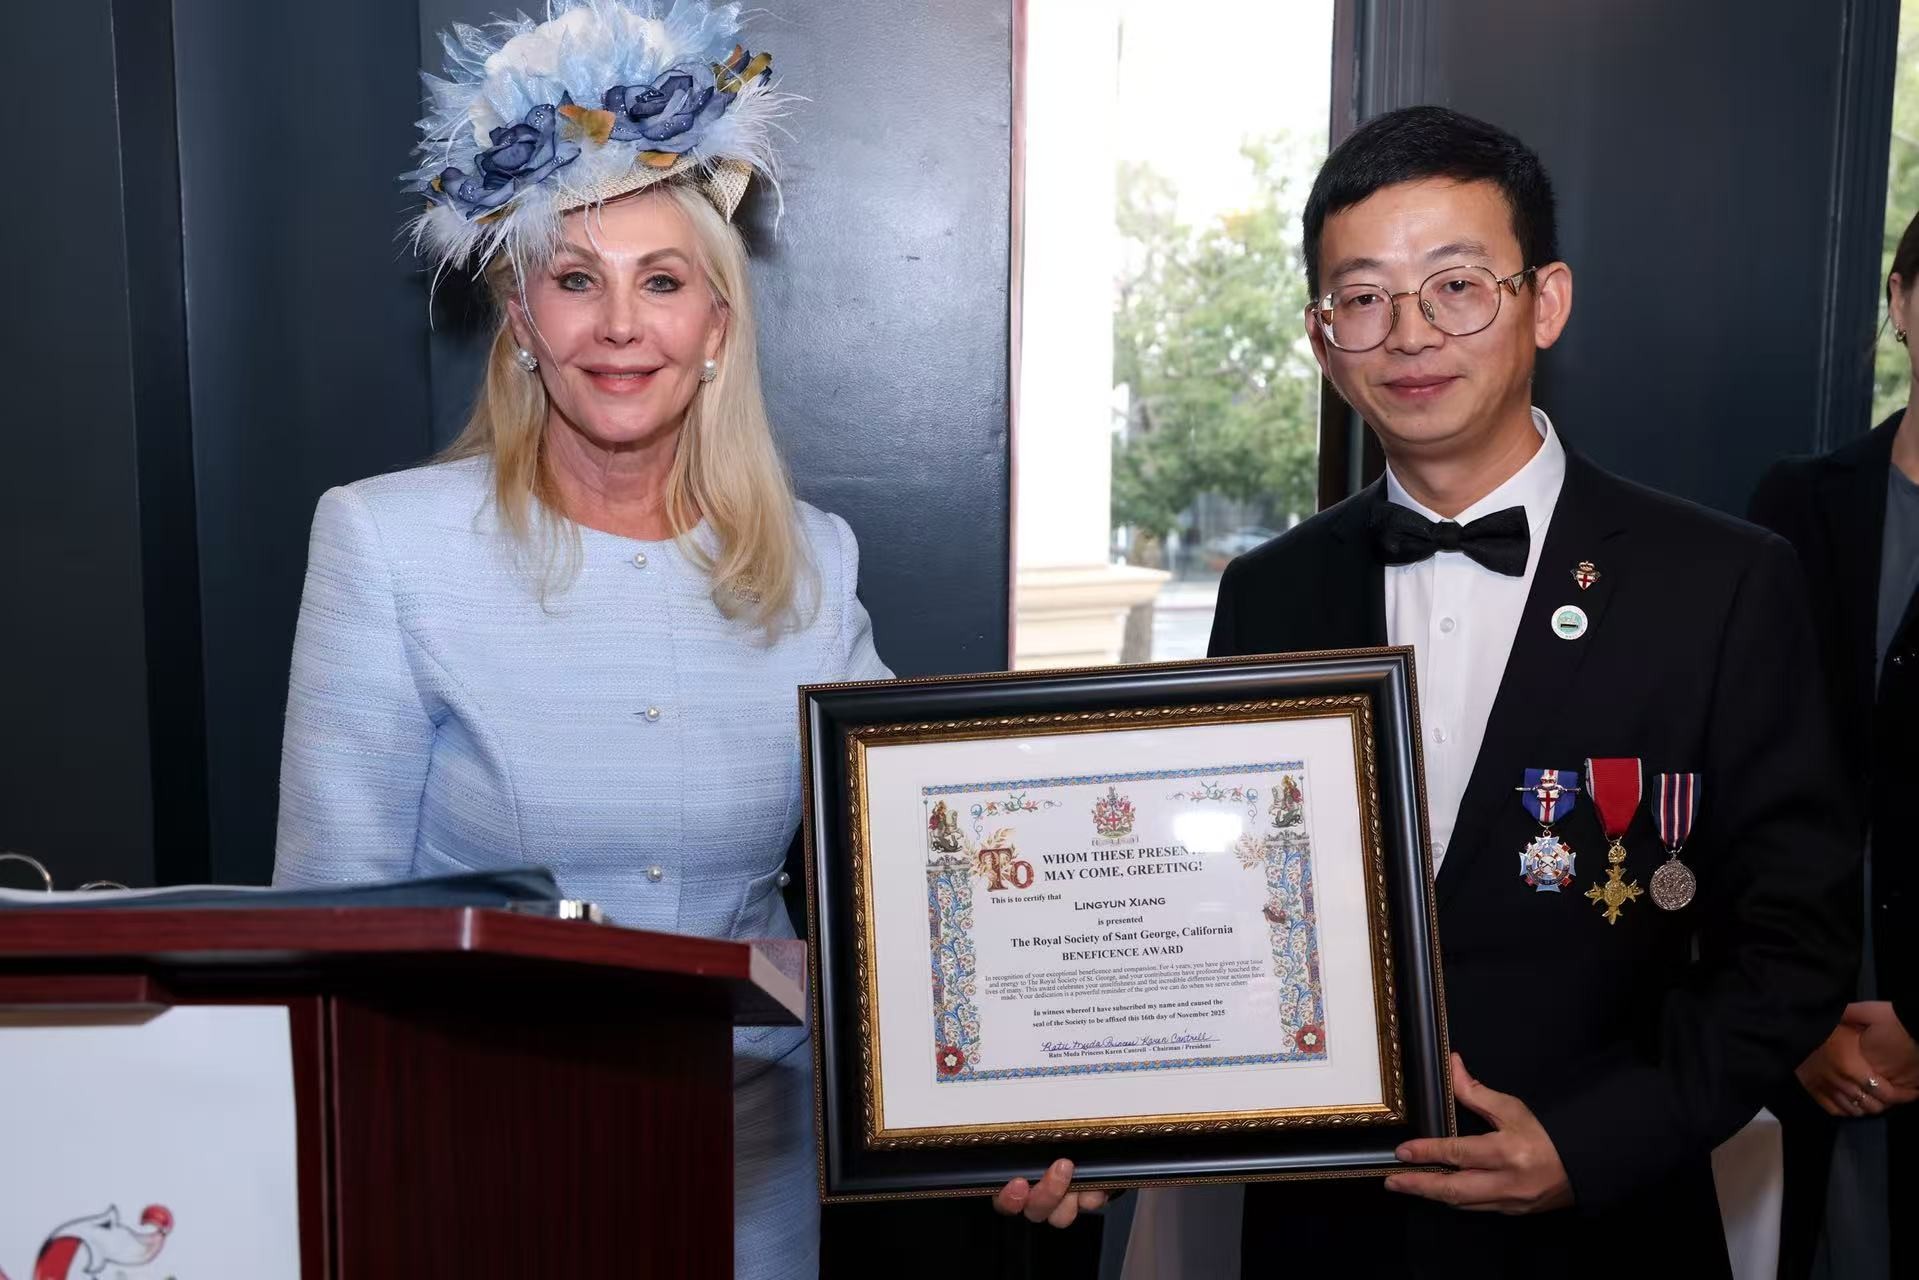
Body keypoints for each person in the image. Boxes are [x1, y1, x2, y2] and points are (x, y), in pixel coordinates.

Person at [996, 105, 1860, 1277]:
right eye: (1360, 297)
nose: (1408, 332)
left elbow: (1794, 940)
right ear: (1321, 338)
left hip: (1605, 1227)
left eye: (1454, 285)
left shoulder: (1719, 580)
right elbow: (1208, 908)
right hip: (1325, 1230)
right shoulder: (1268, 591)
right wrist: (1094, 1107)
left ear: (1542, 301)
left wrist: (1591, 1140)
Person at [270, 6, 888, 1277]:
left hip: (753, 1184)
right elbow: (327, 925)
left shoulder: (814, 561)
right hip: (474, 1169)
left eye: (661, 281)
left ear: (716, 325)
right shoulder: (386, 542)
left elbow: (908, 856)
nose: (618, 324)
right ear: (519, 318)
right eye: (573, 279)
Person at [1747, 210, 1919, 1280]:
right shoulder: (1799, 502)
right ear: (1900, 301)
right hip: (1808, 1002)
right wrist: (1792, 1021)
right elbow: (1745, 773)